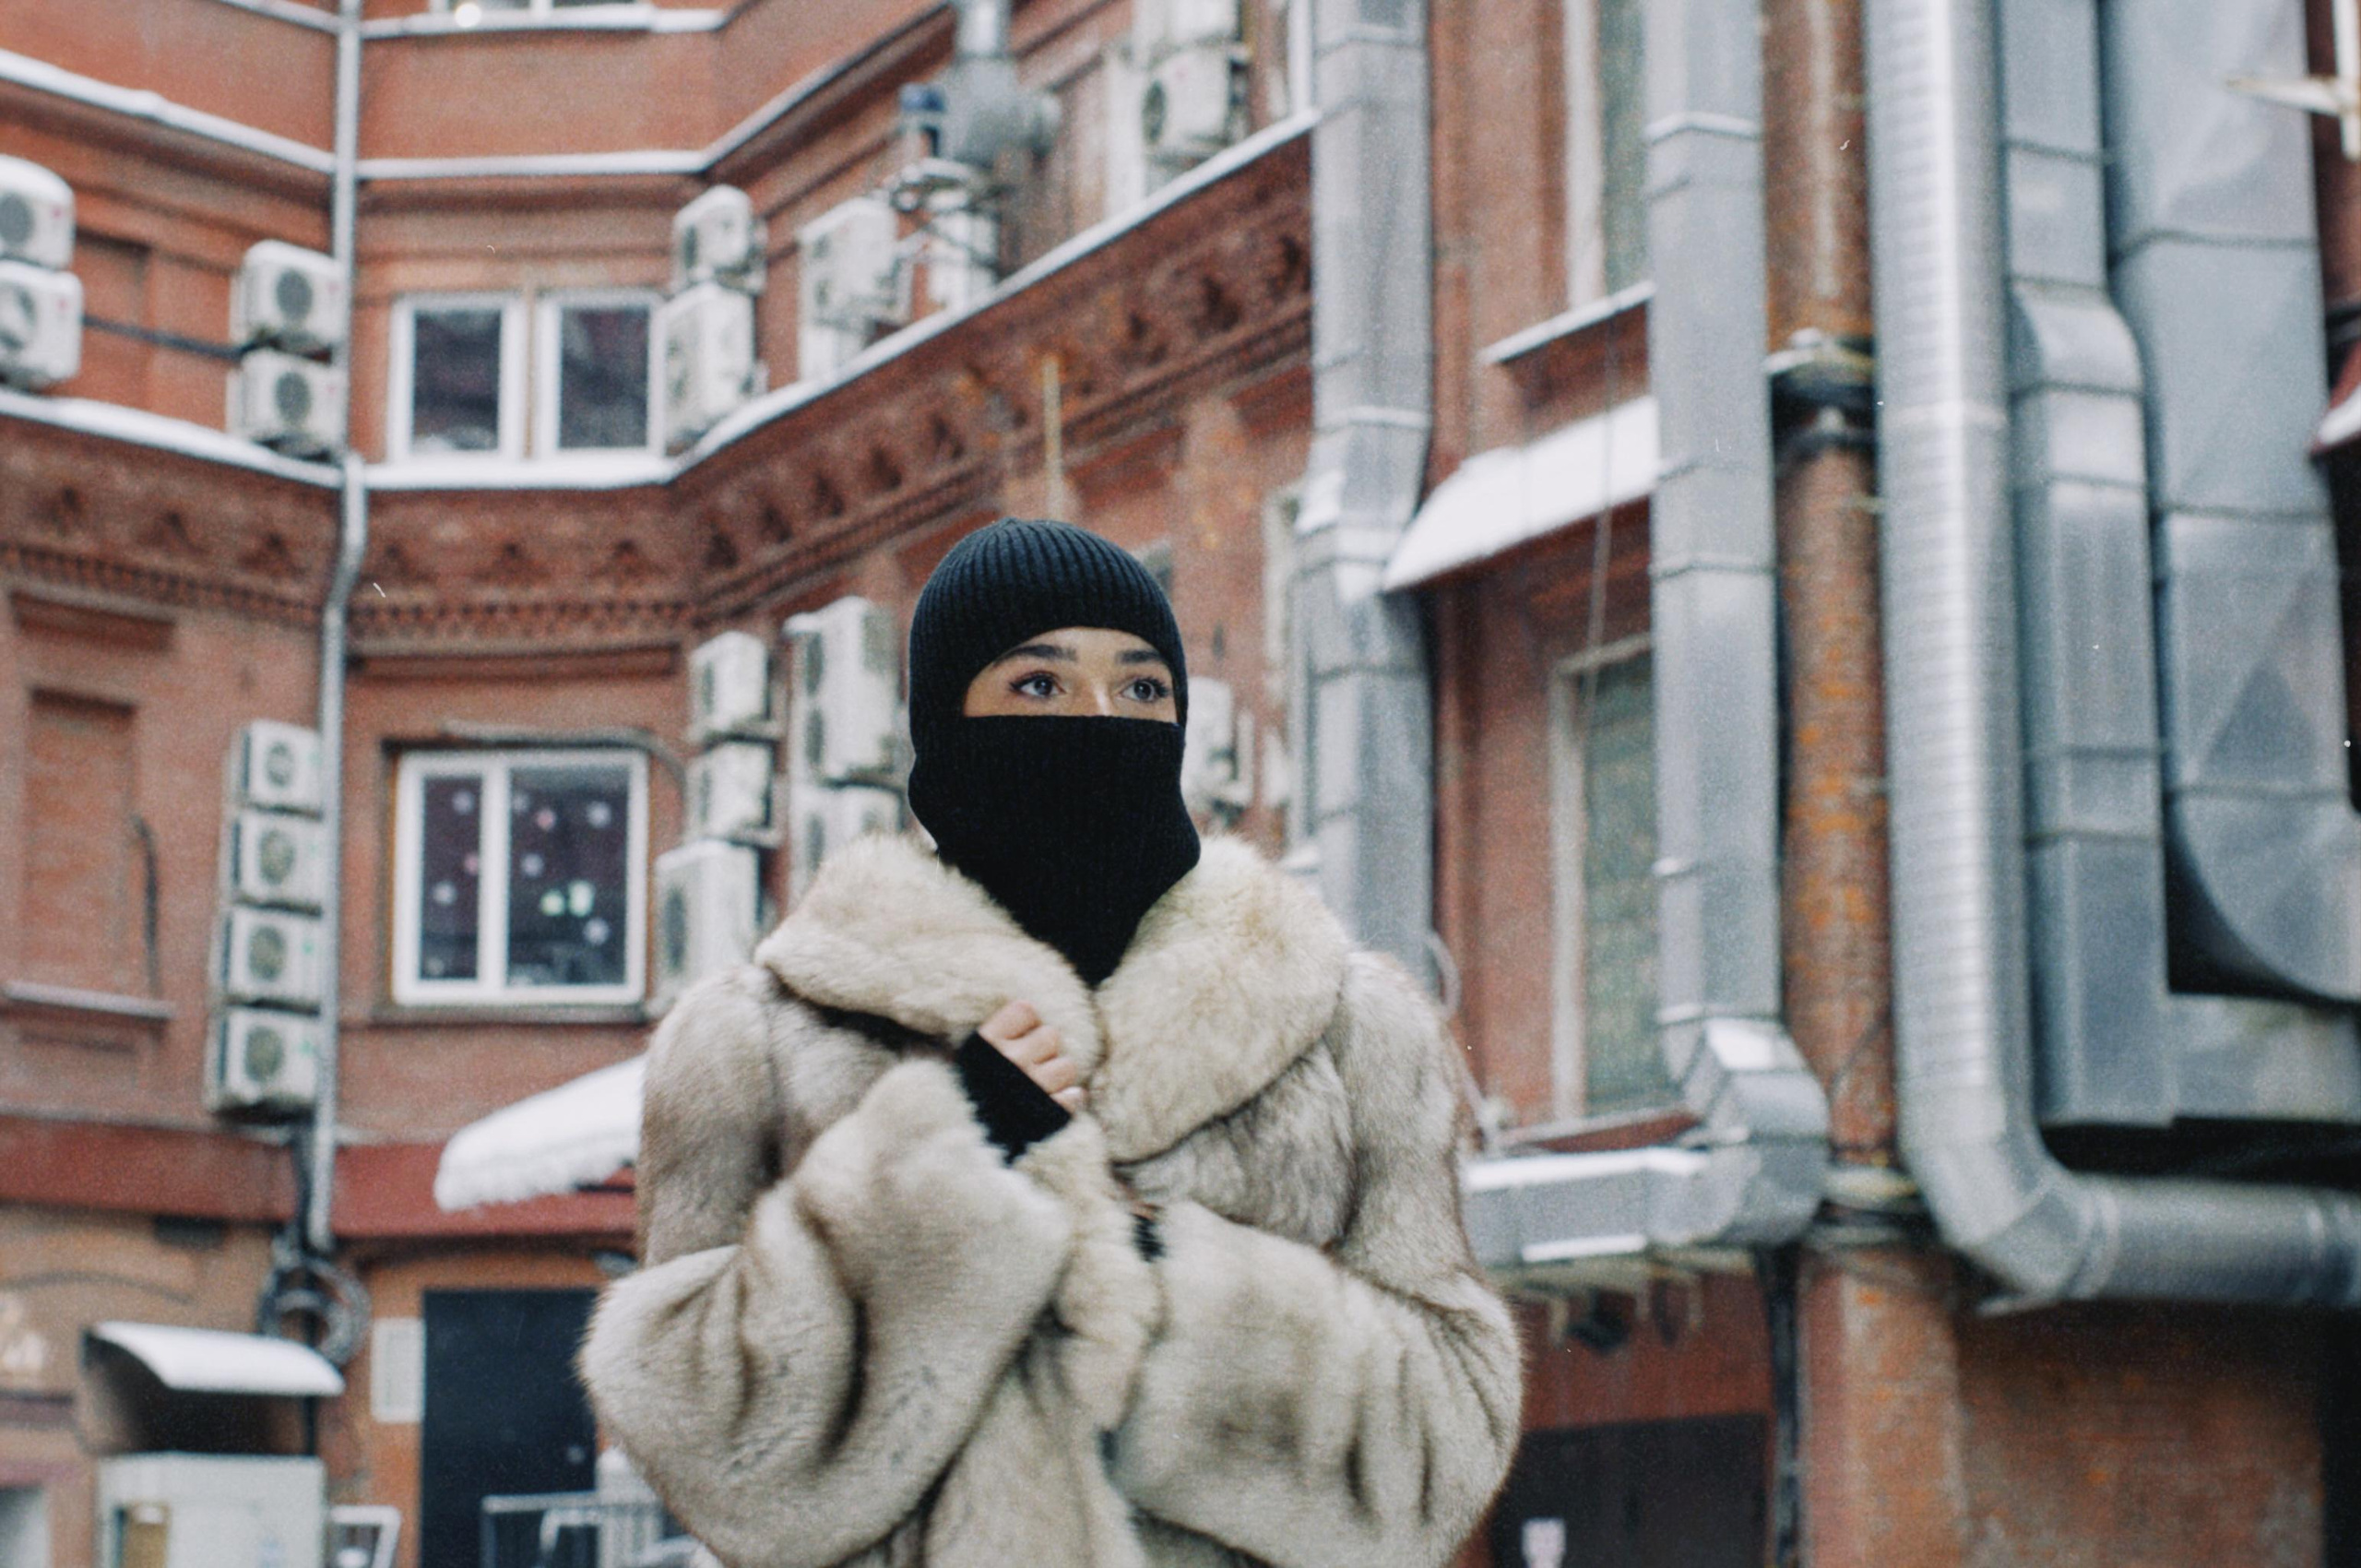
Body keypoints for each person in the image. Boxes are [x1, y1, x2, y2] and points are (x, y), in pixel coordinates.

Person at [581, 518, 1521, 1568]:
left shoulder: (1350, 1028)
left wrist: (1171, 1297)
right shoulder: (756, 1035)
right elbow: (700, 1434)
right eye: (1039, 686)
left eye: (1140, 689)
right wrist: (938, 1172)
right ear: (947, 720)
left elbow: (1450, 1433)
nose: (1099, 720)